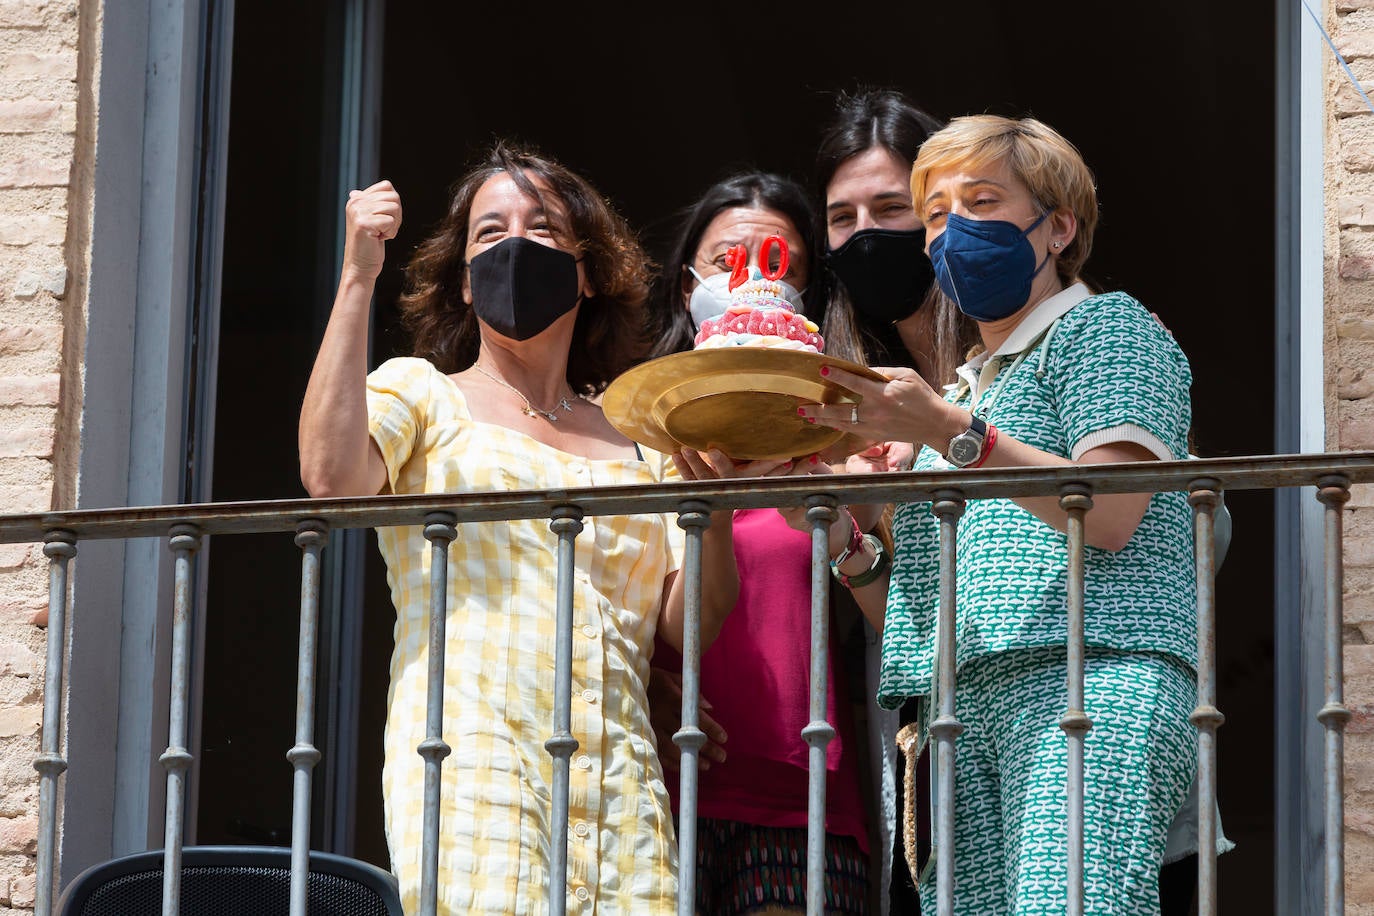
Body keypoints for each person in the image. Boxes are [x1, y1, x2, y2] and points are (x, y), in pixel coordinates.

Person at [297, 141, 752, 915]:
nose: (515, 244)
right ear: (466, 285)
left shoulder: (643, 432)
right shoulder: (422, 392)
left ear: (587, 273)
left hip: (619, 774)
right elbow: (332, 476)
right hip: (471, 754)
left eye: (543, 229)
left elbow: (687, 624)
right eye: (489, 233)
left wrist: (714, 515)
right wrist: (356, 276)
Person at [798, 114, 1200, 914]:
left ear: (1057, 227)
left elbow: (1112, 509)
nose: (956, 230)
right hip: (961, 709)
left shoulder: (1106, 327)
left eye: (982, 202)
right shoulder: (962, 392)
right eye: (940, 214)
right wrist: (843, 533)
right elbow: (910, 614)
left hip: (1090, 683)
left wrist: (949, 435)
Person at [644, 170, 876, 916]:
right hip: (659, 779)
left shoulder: (844, 443)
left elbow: (901, 615)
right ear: (688, 288)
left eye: (777, 265)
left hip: (802, 787)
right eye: (725, 261)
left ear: (800, 295)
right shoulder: (632, 443)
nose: (747, 280)